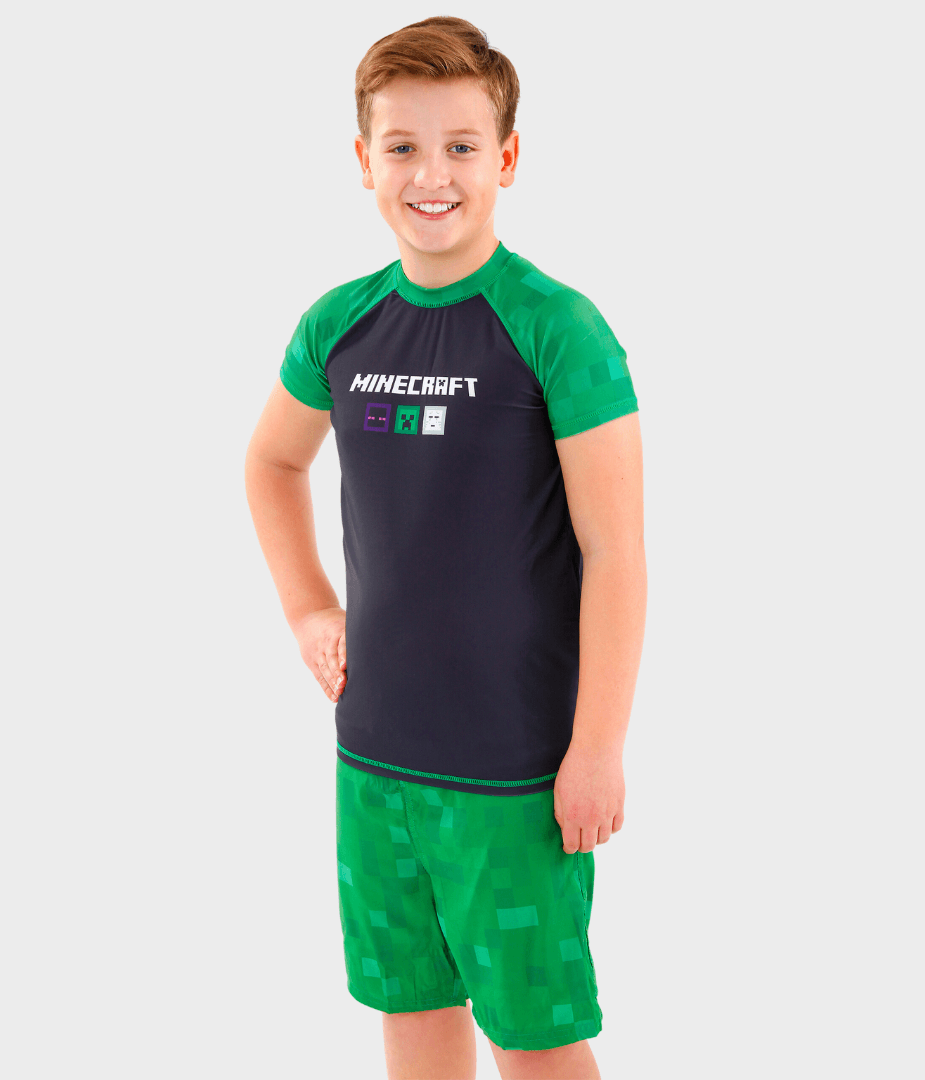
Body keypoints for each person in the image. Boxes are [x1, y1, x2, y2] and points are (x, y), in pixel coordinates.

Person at [245, 16, 646, 1080]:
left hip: (516, 770)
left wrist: (597, 748)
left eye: (461, 145)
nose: (432, 174)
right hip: (376, 757)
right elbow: (271, 463)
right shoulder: (340, 325)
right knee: (412, 1013)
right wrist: (309, 607)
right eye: (404, 146)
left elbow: (616, 552)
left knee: (536, 1037)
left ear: (506, 158)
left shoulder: (557, 327)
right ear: (364, 160)